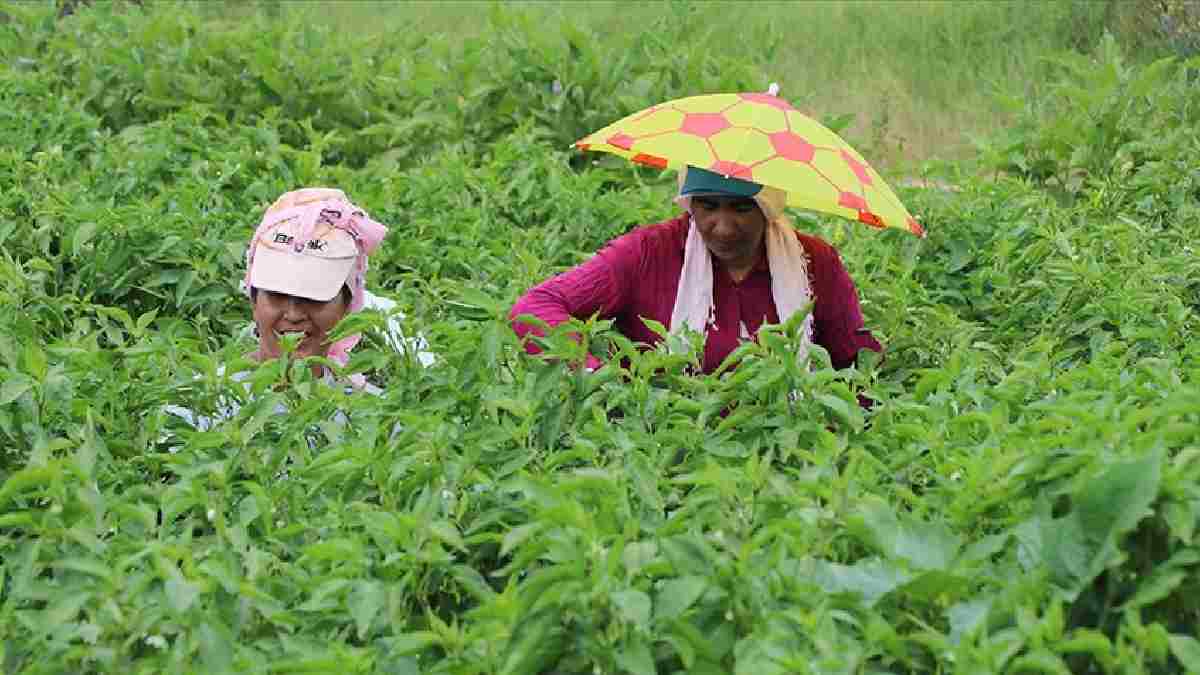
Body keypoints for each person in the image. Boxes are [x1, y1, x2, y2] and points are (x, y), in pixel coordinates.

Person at [509, 166, 881, 377]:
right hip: (661, 446)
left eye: (741, 208)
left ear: (768, 207)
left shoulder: (813, 263)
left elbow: (857, 363)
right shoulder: (648, 253)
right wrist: (598, 378)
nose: (723, 227)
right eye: (707, 206)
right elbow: (535, 308)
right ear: (689, 203)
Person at [166, 187, 398, 431]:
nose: (294, 315)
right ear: (253, 301)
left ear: (347, 309)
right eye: (277, 295)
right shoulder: (197, 407)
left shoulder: (375, 416)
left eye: (315, 296)